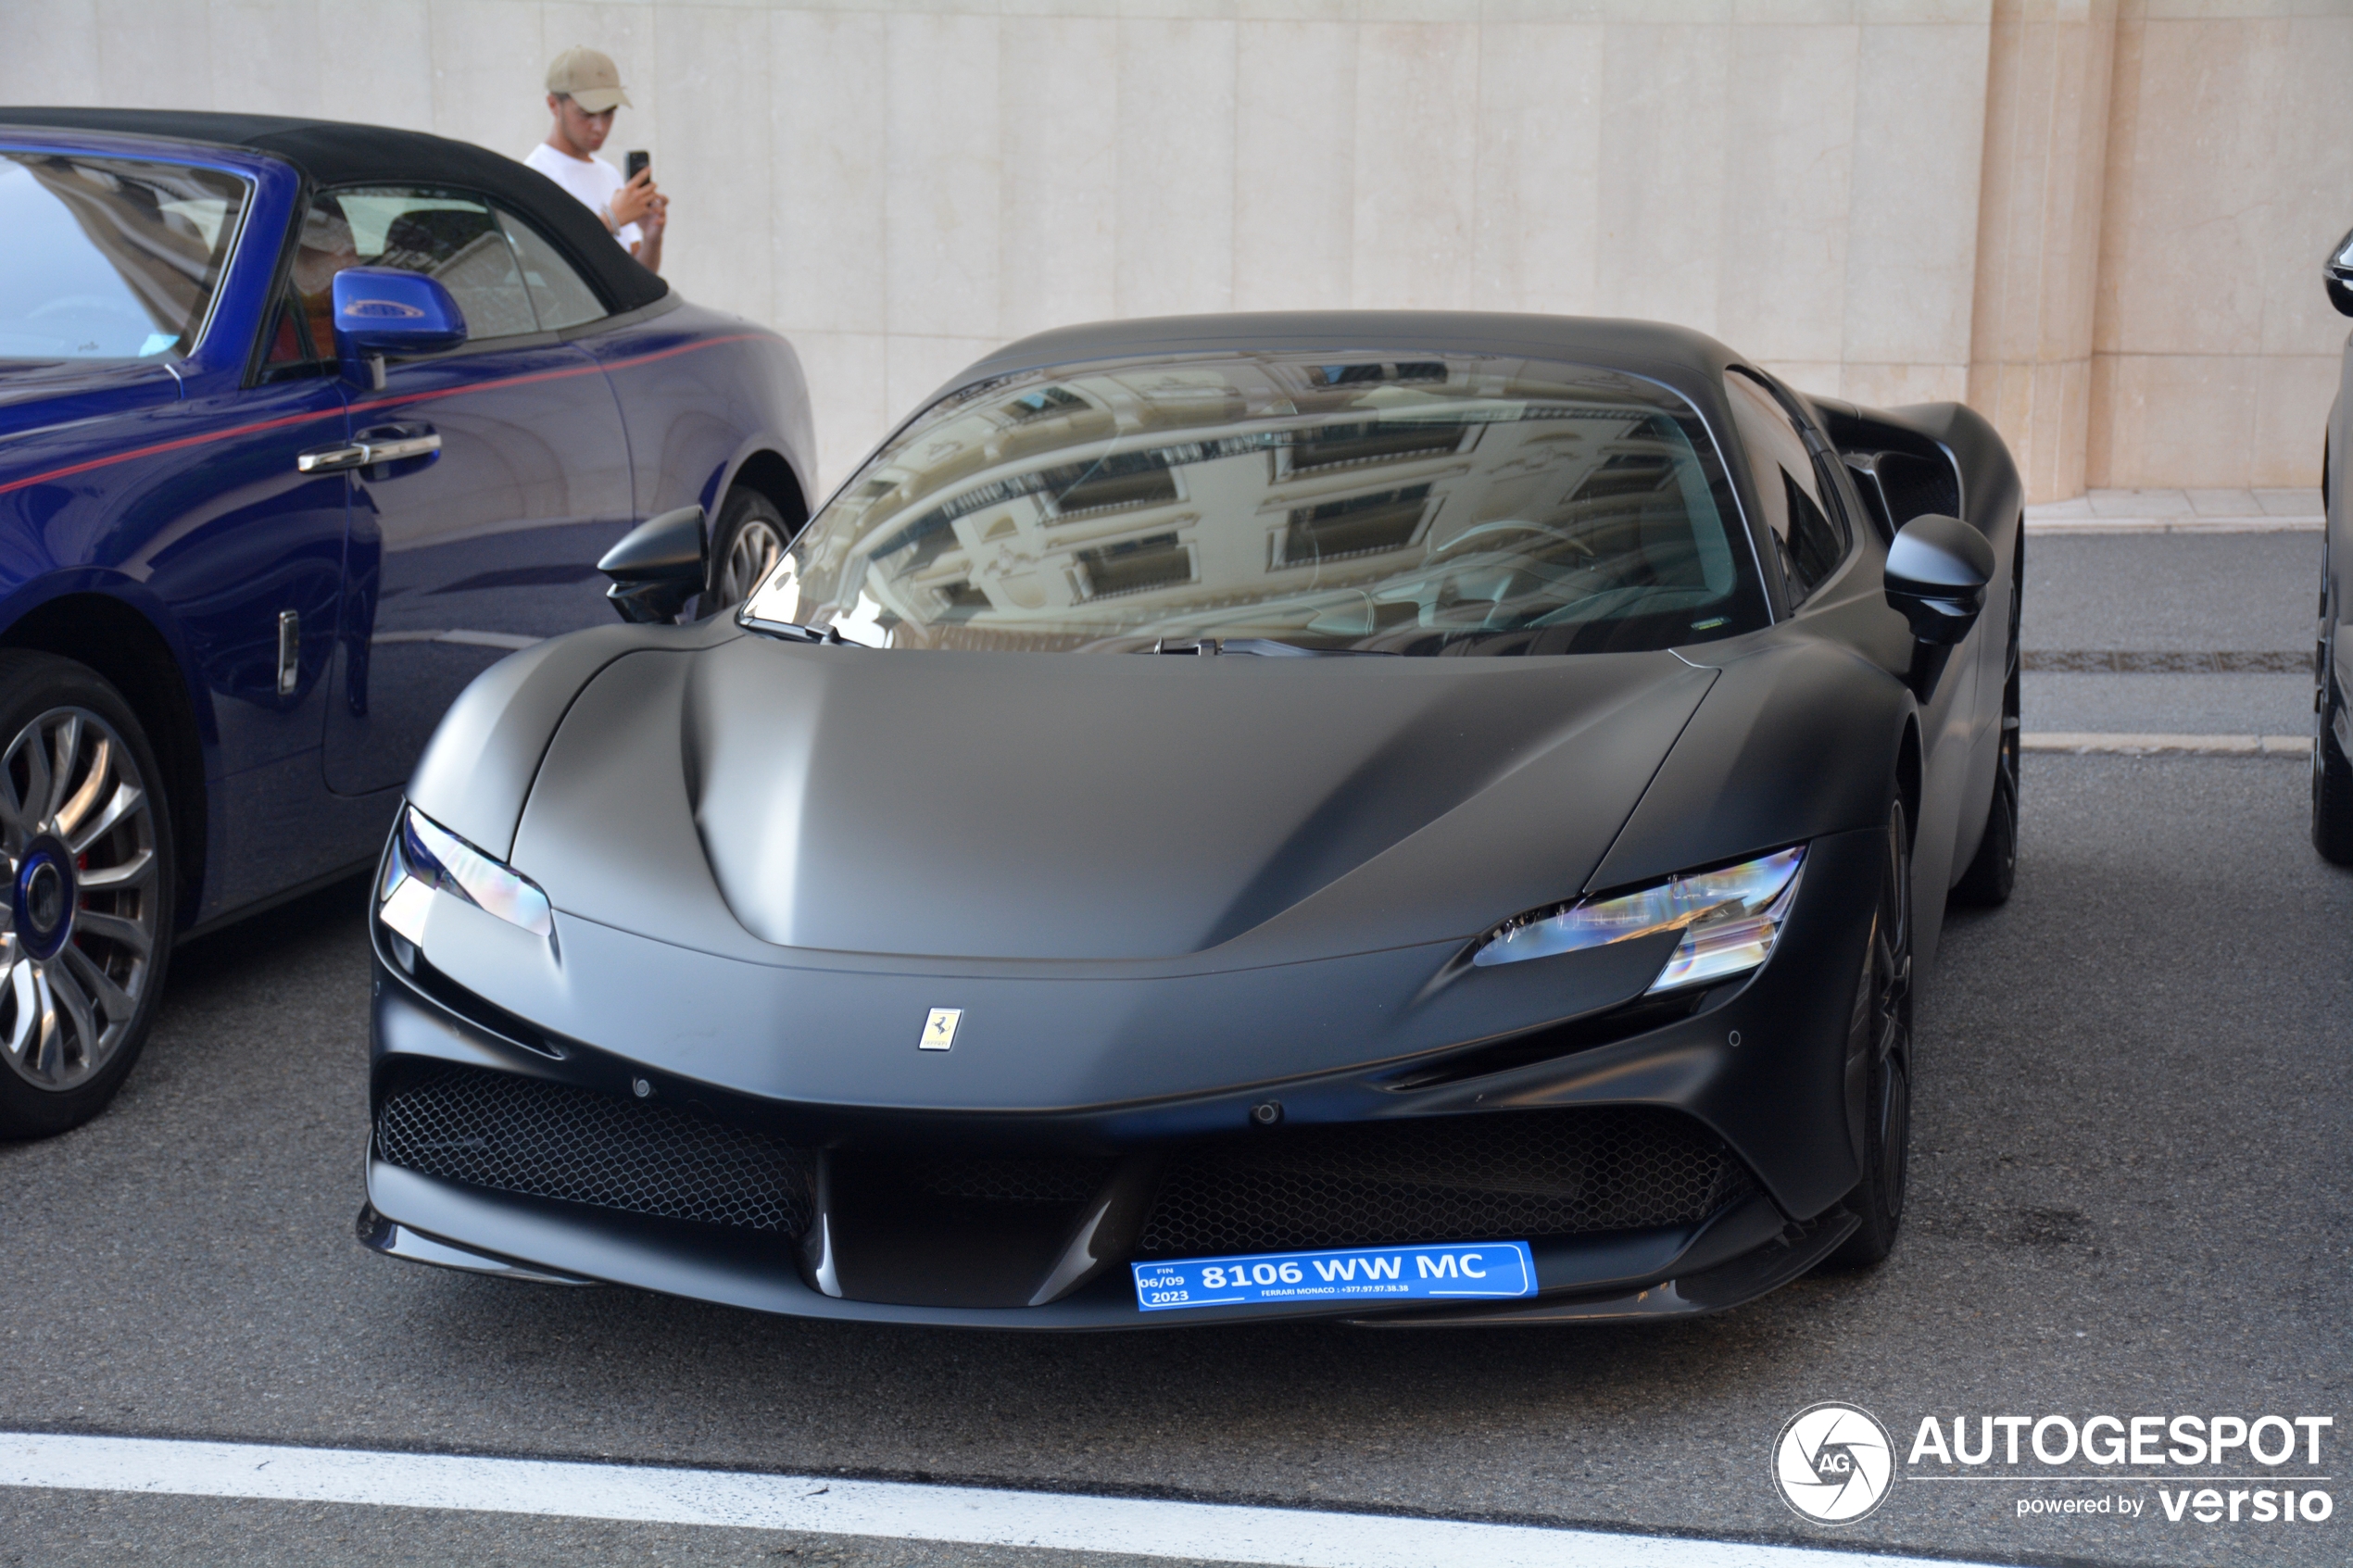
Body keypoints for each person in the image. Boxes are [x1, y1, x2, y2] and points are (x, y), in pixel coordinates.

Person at [524, 47, 666, 275]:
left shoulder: (608, 174)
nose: (600, 127)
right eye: (586, 113)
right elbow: (552, 272)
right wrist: (611, 219)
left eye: (609, 113)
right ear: (553, 105)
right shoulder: (534, 177)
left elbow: (638, 281)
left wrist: (652, 238)